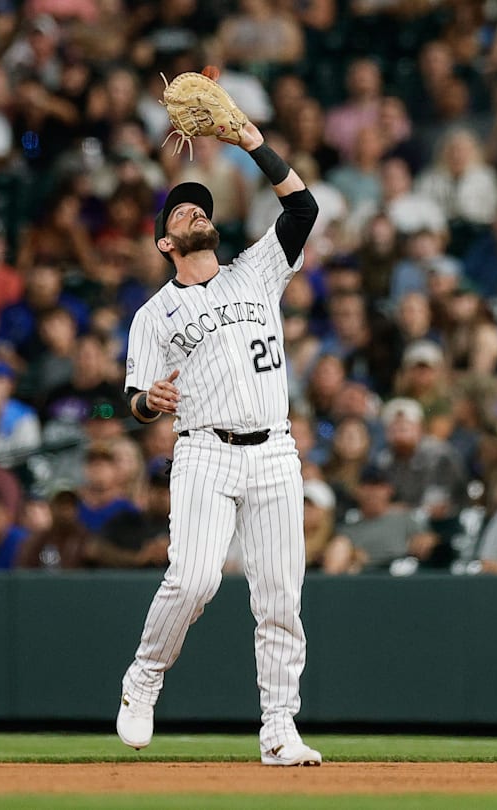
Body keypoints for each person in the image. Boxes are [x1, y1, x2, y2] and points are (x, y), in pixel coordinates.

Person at [116, 119, 322, 765]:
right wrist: (150, 401)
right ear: (164, 241)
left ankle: (279, 731)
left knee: (281, 597)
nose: (194, 213)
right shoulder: (153, 314)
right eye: (181, 211)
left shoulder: (256, 270)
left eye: (200, 208)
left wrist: (251, 142)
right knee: (196, 579)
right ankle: (143, 679)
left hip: (275, 451)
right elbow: (132, 399)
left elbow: (303, 205)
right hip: (204, 448)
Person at [322, 466, 437, 575]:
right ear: (357, 490)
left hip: (400, 574)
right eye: (367, 485)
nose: (373, 492)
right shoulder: (348, 527)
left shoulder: (405, 519)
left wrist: (427, 541)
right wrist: (352, 556)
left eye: (378, 485)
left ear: (389, 489)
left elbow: (427, 542)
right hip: (362, 579)